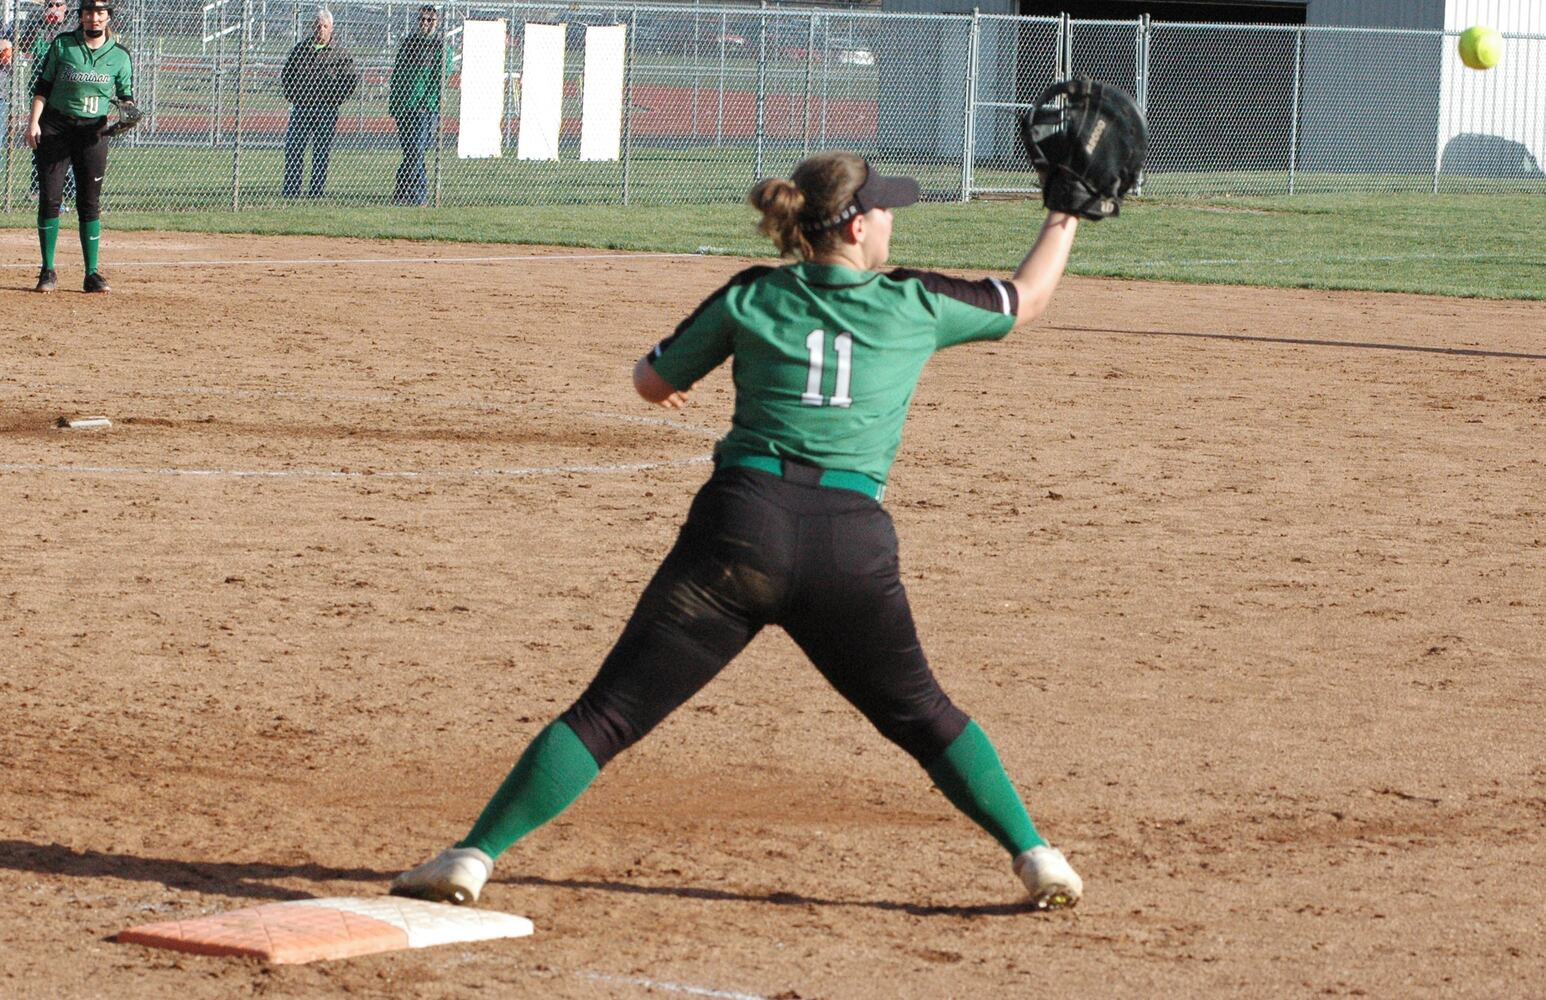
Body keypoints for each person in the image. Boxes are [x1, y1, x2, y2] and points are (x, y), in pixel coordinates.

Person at [390, 151, 1088, 911]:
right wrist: (1064, 213)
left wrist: (670, 385)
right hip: (850, 544)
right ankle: (1036, 856)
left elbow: (650, 381)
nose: (892, 220)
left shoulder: (753, 295)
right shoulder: (913, 302)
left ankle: (473, 857)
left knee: (609, 713)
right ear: (856, 227)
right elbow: (1028, 297)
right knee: (923, 714)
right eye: (885, 210)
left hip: (740, 533)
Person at [26, 0, 132, 293]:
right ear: (81, 16)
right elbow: (43, 86)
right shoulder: (63, 45)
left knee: (89, 202)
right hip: (56, 126)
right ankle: (47, 271)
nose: (94, 18)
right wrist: (33, 123)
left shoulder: (120, 56)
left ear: (108, 17)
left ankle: (92, 273)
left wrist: (129, 114)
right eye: (88, 12)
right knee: (50, 198)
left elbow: (126, 95)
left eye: (100, 13)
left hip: (93, 131)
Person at [280, 8, 357, 199]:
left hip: (326, 110)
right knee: (294, 149)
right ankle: (291, 192)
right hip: (302, 108)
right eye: (317, 26)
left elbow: (350, 80)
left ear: (331, 28)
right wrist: (295, 96)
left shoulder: (339, 54)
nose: (320, 30)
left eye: (324, 26)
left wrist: (335, 99)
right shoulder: (300, 50)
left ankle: (316, 193)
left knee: (321, 153)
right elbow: (287, 76)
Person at [388, 4, 445, 206]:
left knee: (416, 151)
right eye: (422, 19)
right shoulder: (408, 43)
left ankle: (415, 194)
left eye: (430, 20)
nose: (425, 23)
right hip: (405, 107)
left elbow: (439, 80)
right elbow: (398, 75)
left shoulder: (440, 46)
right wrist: (395, 104)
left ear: (436, 22)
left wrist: (426, 103)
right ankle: (404, 193)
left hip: (424, 110)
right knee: (411, 152)